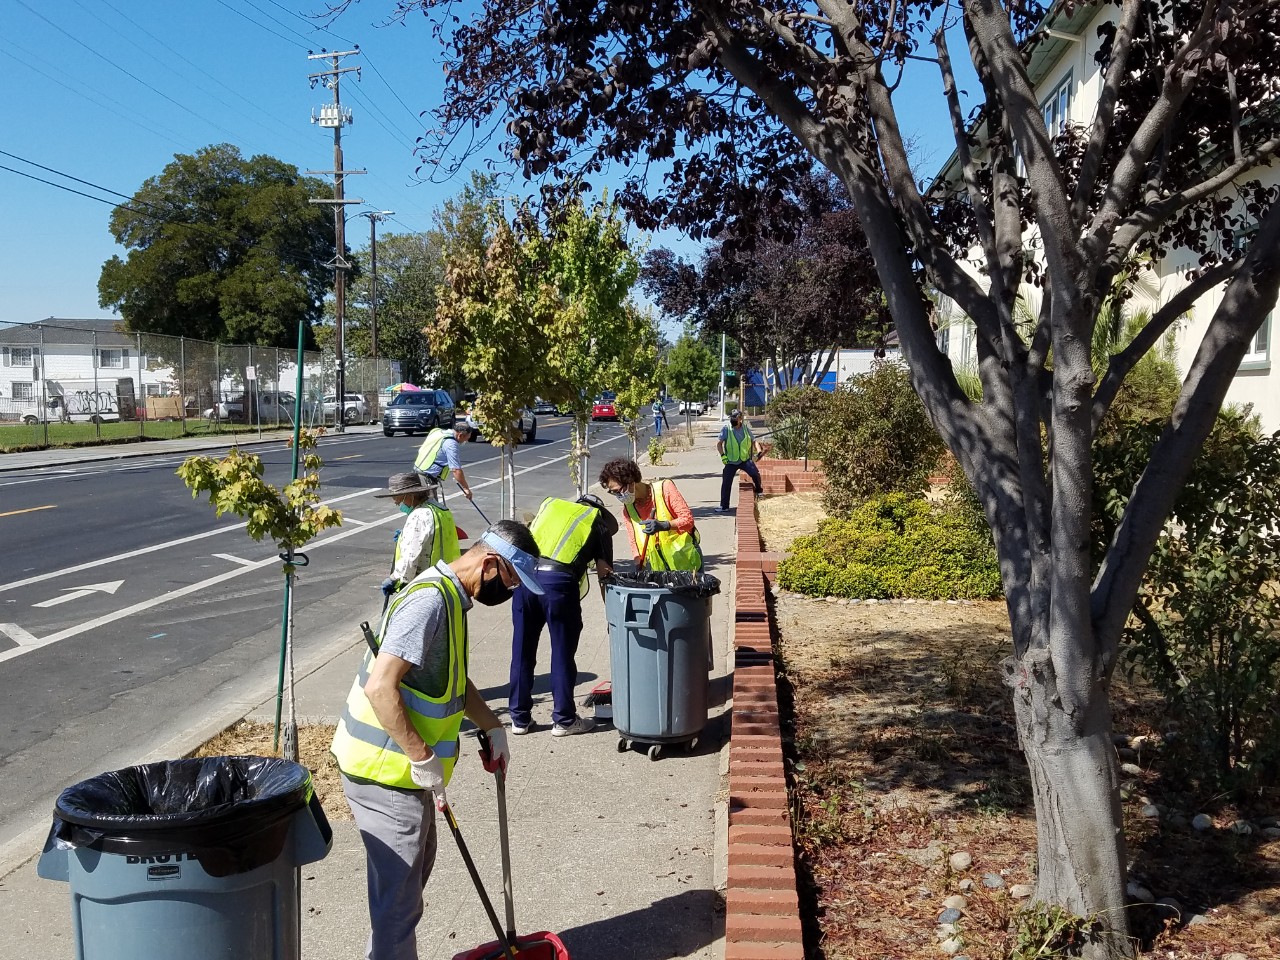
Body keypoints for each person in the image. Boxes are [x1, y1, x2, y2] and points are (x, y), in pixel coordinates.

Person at [331, 520, 543, 960]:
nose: (512, 593)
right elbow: (380, 687)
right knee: (399, 903)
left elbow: (451, 681)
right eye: (510, 580)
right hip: (385, 770)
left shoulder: (452, 599)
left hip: (406, 773)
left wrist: (493, 727)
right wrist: (422, 756)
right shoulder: (429, 602)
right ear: (489, 563)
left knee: (408, 883)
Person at [508, 494, 617, 737]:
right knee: (562, 652)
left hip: (525, 580)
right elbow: (605, 572)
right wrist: (612, 613)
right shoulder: (596, 521)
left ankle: (519, 719)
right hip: (558, 586)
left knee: (522, 651)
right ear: (599, 510)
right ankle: (564, 720)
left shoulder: (550, 507)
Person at [598, 457, 702, 571]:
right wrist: (639, 566)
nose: (617, 496)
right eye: (613, 493)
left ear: (631, 482)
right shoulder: (628, 510)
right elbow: (634, 543)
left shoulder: (664, 489)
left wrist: (664, 525)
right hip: (661, 573)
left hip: (688, 565)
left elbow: (688, 520)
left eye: (618, 491)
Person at [374, 472, 462, 597]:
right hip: (447, 577)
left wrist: (395, 579)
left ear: (410, 495)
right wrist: (404, 536)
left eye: (398, 498)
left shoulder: (418, 516)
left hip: (425, 584)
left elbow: (411, 557)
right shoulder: (440, 509)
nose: (396, 502)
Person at [716, 408, 763, 513]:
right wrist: (723, 456)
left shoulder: (746, 429)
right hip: (731, 461)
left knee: (755, 474)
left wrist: (759, 451)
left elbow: (754, 441)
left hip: (744, 460)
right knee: (726, 483)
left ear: (740, 419)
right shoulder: (726, 429)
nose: (733, 419)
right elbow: (719, 444)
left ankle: (759, 491)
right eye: (732, 417)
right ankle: (724, 506)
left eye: (735, 417)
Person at [413, 422, 474, 500]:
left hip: (417, 473)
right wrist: (466, 488)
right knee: (431, 508)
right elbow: (456, 470)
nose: (466, 441)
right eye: (466, 438)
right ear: (460, 435)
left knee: (420, 505)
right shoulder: (451, 444)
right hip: (426, 479)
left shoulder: (437, 431)